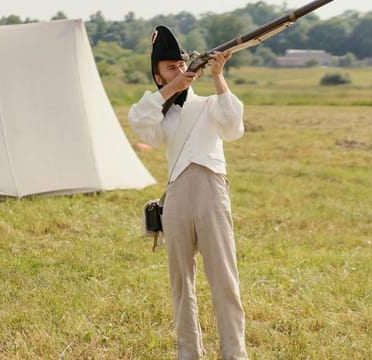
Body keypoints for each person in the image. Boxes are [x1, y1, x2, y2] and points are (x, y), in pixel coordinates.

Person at [128, 25, 248, 360]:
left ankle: (234, 354)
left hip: (212, 190)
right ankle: (188, 353)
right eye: (170, 68)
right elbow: (142, 126)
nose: (179, 71)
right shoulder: (158, 110)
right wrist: (170, 91)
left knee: (224, 278)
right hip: (178, 193)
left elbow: (233, 127)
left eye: (181, 65)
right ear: (158, 76)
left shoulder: (209, 102)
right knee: (181, 281)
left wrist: (219, 76)